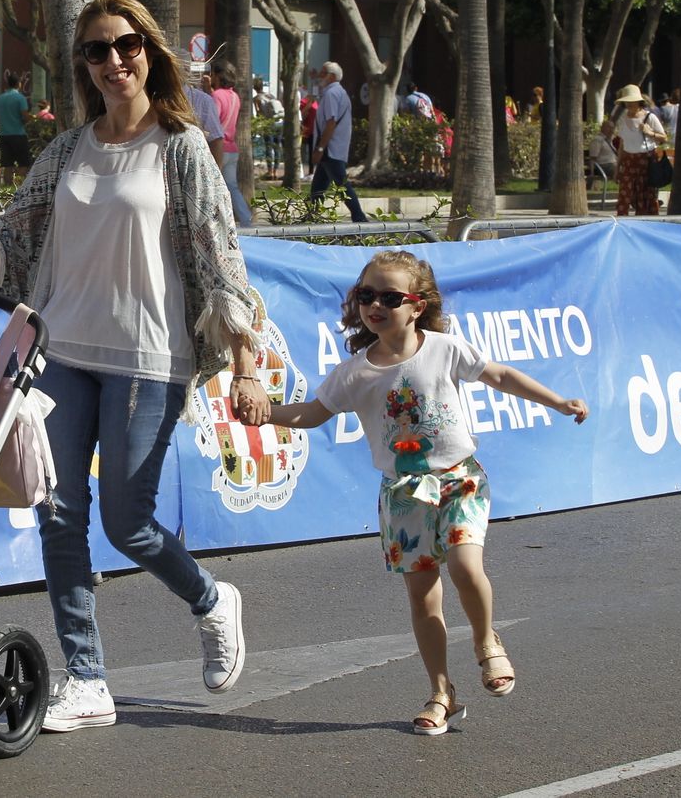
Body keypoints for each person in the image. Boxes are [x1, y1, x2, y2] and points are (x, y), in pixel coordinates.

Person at [0, 0, 261, 733]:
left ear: (149, 51)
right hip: (61, 349)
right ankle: (86, 678)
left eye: (126, 45)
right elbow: (13, 226)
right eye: (97, 50)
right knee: (58, 515)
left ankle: (212, 599)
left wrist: (246, 361)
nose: (113, 60)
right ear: (83, 65)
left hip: (149, 358)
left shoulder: (181, 148)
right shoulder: (67, 149)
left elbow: (222, 261)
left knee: (128, 523)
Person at [245, 250, 587, 736]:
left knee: (468, 567)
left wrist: (556, 401)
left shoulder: (445, 349)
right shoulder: (354, 372)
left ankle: (487, 642)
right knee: (425, 601)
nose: (374, 305)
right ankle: (441, 693)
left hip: (459, 480)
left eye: (389, 296)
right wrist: (266, 413)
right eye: (366, 295)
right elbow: (313, 414)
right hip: (402, 494)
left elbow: (501, 376)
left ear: (418, 305)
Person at [308, 62, 368, 221]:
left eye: (323, 73)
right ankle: (312, 217)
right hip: (333, 147)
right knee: (318, 188)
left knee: (342, 185)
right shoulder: (337, 92)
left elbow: (330, 122)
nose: (320, 76)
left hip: (330, 149)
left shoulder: (331, 94)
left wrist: (320, 148)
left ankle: (359, 217)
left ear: (332, 76)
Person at [612, 83, 669, 216]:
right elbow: (622, 145)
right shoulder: (623, 118)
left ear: (639, 102)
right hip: (628, 160)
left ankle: (646, 218)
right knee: (625, 194)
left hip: (645, 160)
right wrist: (617, 167)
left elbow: (663, 138)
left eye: (632, 102)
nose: (630, 105)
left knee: (646, 194)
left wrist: (649, 133)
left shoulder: (650, 117)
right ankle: (621, 220)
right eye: (627, 102)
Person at [209, 61, 254, 226]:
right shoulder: (234, 96)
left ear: (219, 76)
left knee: (214, 187)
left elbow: (212, 121)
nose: (211, 77)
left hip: (218, 148)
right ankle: (246, 219)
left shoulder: (217, 96)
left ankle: (219, 222)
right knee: (232, 187)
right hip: (232, 148)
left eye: (213, 74)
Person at [0, 70, 33, 184]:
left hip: (3, 135)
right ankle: (20, 185)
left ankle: (7, 185)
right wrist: (29, 119)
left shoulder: (0, 99)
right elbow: (25, 116)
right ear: (19, 84)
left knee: (7, 164)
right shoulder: (20, 98)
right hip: (18, 134)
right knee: (23, 162)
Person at [186, 71, 228, 168]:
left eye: (211, 75)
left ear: (217, 77)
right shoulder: (234, 95)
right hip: (230, 147)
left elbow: (214, 135)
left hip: (216, 148)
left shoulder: (215, 96)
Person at [254, 77, 283, 177]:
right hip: (279, 123)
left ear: (255, 88)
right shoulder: (271, 95)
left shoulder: (257, 98)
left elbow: (259, 113)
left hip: (269, 124)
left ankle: (270, 171)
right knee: (277, 147)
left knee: (269, 147)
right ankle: (276, 171)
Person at [588, 118, 617, 186]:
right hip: (603, 165)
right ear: (602, 128)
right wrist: (591, 173)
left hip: (613, 165)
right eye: (609, 127)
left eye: (612, 128)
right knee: (620, 170)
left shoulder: (611, 140)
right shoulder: (597, 140)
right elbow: (593, 158)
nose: (611, 130)